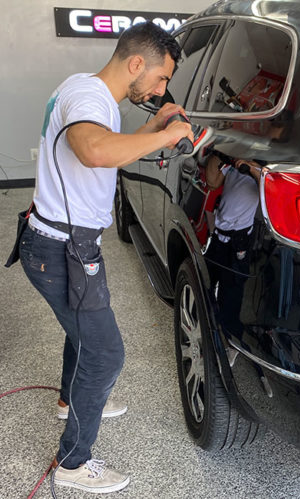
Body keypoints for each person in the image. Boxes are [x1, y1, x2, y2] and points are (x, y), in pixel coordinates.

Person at [14, 23, 193, 494]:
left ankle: (68, 402)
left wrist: (152, 128)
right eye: (159, 79)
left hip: (60, 244)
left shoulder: (84, 90)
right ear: (137, 63)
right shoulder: (92, 101)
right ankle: (74, 465)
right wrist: (166, 137)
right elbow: (92, 150)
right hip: (61, 249)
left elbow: (104, 150)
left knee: (84, 330)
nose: (160, 90)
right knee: (106, 352)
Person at [202, 153, 262, 337]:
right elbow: (213, 182)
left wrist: (252, 169)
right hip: (219, 236)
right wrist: (220, 155)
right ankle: (206, 328)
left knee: (231, 294)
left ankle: (231, 341)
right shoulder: (232, 164)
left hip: (239, 242)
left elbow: (270, 190)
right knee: (205, 282)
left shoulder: (260, 170)